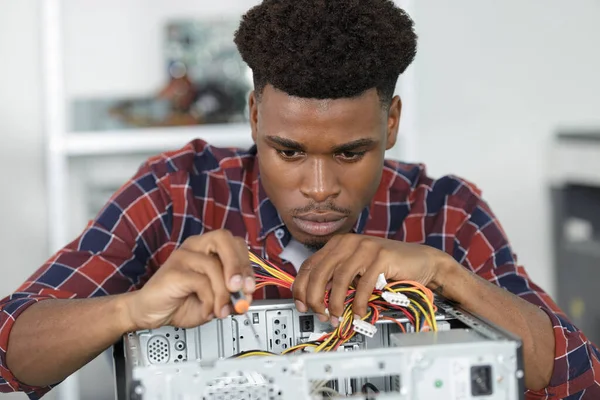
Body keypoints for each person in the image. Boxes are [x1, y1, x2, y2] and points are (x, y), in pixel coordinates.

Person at [1, 0, 599, 399]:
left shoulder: (446, 215)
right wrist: (131, 311)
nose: (318, 188)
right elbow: (8, 349)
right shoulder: (177, 193)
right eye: (288, 152)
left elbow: (583, 379)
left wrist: (447, 276)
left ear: (391, 122)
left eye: (349, 153)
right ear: (255, 114)